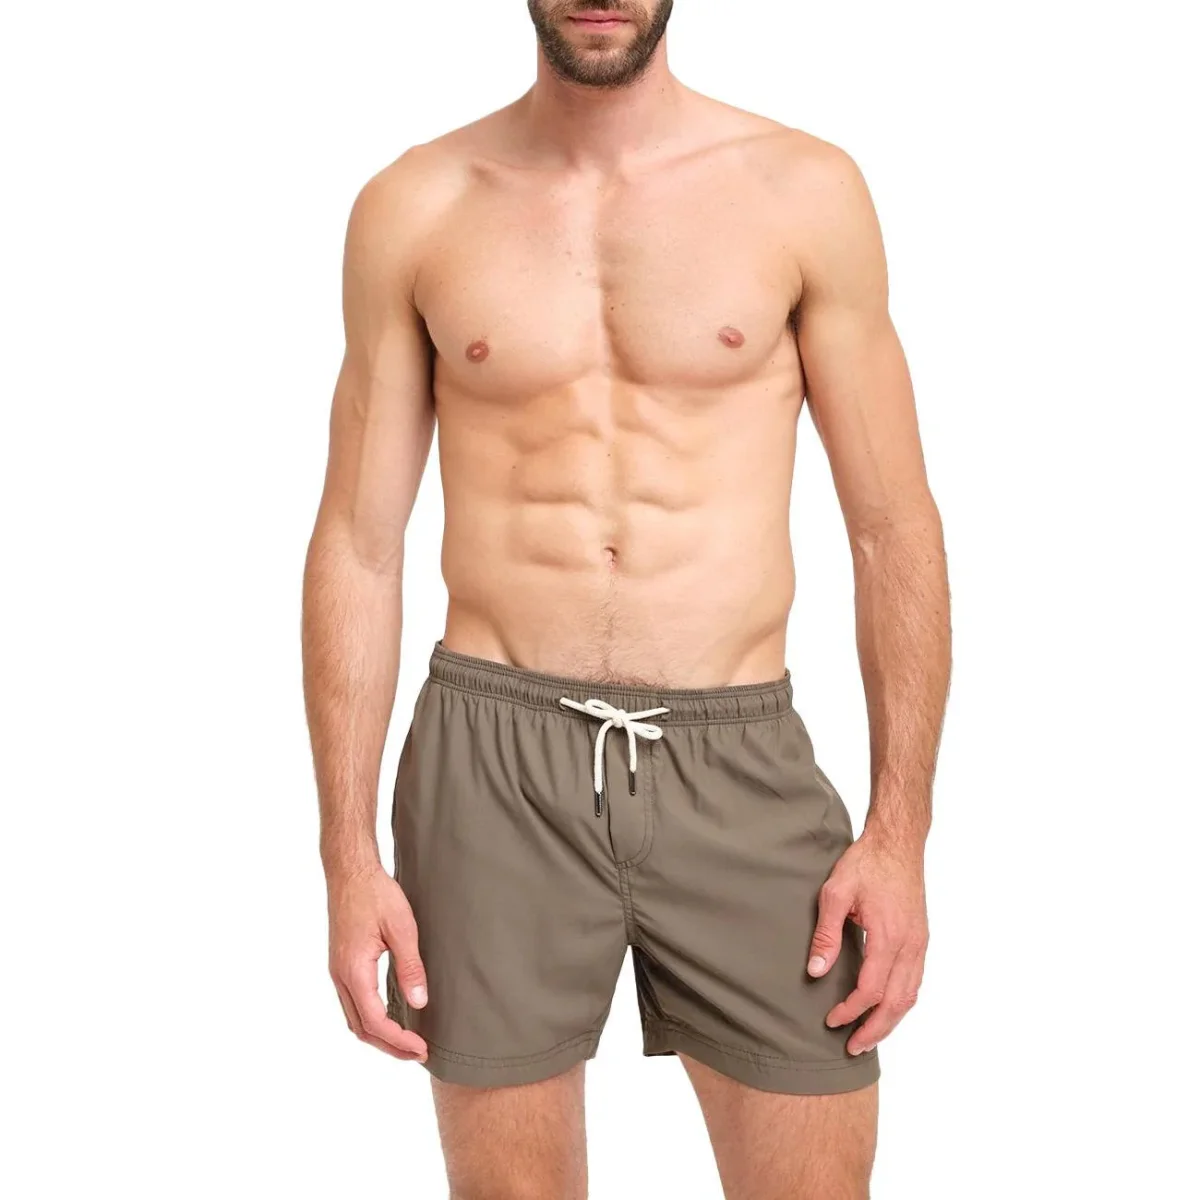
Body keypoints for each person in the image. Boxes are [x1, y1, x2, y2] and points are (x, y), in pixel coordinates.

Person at [301, 2, 951, 1196]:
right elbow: (360, 544)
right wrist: (346, 854)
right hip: (491, 760)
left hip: (739, 759)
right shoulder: (417, 205)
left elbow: (891, 527)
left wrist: (899, 833)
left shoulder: (802, 192)